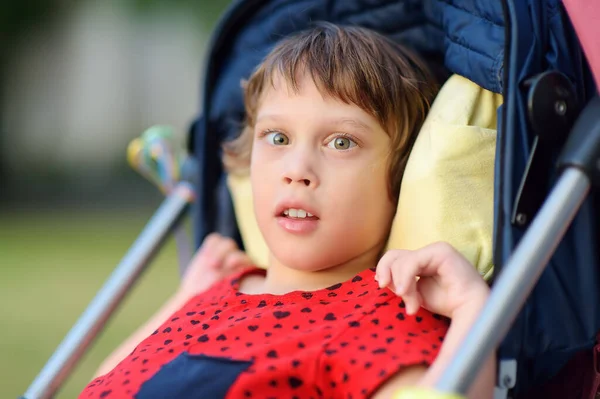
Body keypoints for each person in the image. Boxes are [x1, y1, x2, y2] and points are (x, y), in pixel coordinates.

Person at [79, 22, 494, 399]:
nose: (297, 171)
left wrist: (473, 310)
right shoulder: (215, 294)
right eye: (277, 138)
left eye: (341, 143)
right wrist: (184, 298)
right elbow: (110, 383)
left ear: (401, 179)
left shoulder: (381, 315)